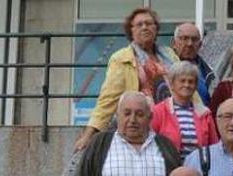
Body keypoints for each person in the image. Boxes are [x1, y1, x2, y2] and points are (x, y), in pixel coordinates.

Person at [74, 7, 188, 152]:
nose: (145, 27)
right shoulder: (121, 58)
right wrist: (88, 134)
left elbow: (186, 87)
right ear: (131, 31)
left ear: (156, 28)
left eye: (149, 23)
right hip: (145, 128)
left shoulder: (170, 55)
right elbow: (107, 100)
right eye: (139, 25)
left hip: (176, 125)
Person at [151, 61, 219, 160]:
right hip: (169, 170)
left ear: (196, 86)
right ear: (172, 84)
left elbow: (214, 147)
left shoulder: (205, 113)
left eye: (191, 81)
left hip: (198, 171)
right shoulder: (158, 111)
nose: (186, 85)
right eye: (182, 81)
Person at [170, 23, 214, 105]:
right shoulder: (164, 67)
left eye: (194, 39)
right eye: (184, 38)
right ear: (174, 43)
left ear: (200, 45)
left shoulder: (208, 72)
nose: (189, 43)